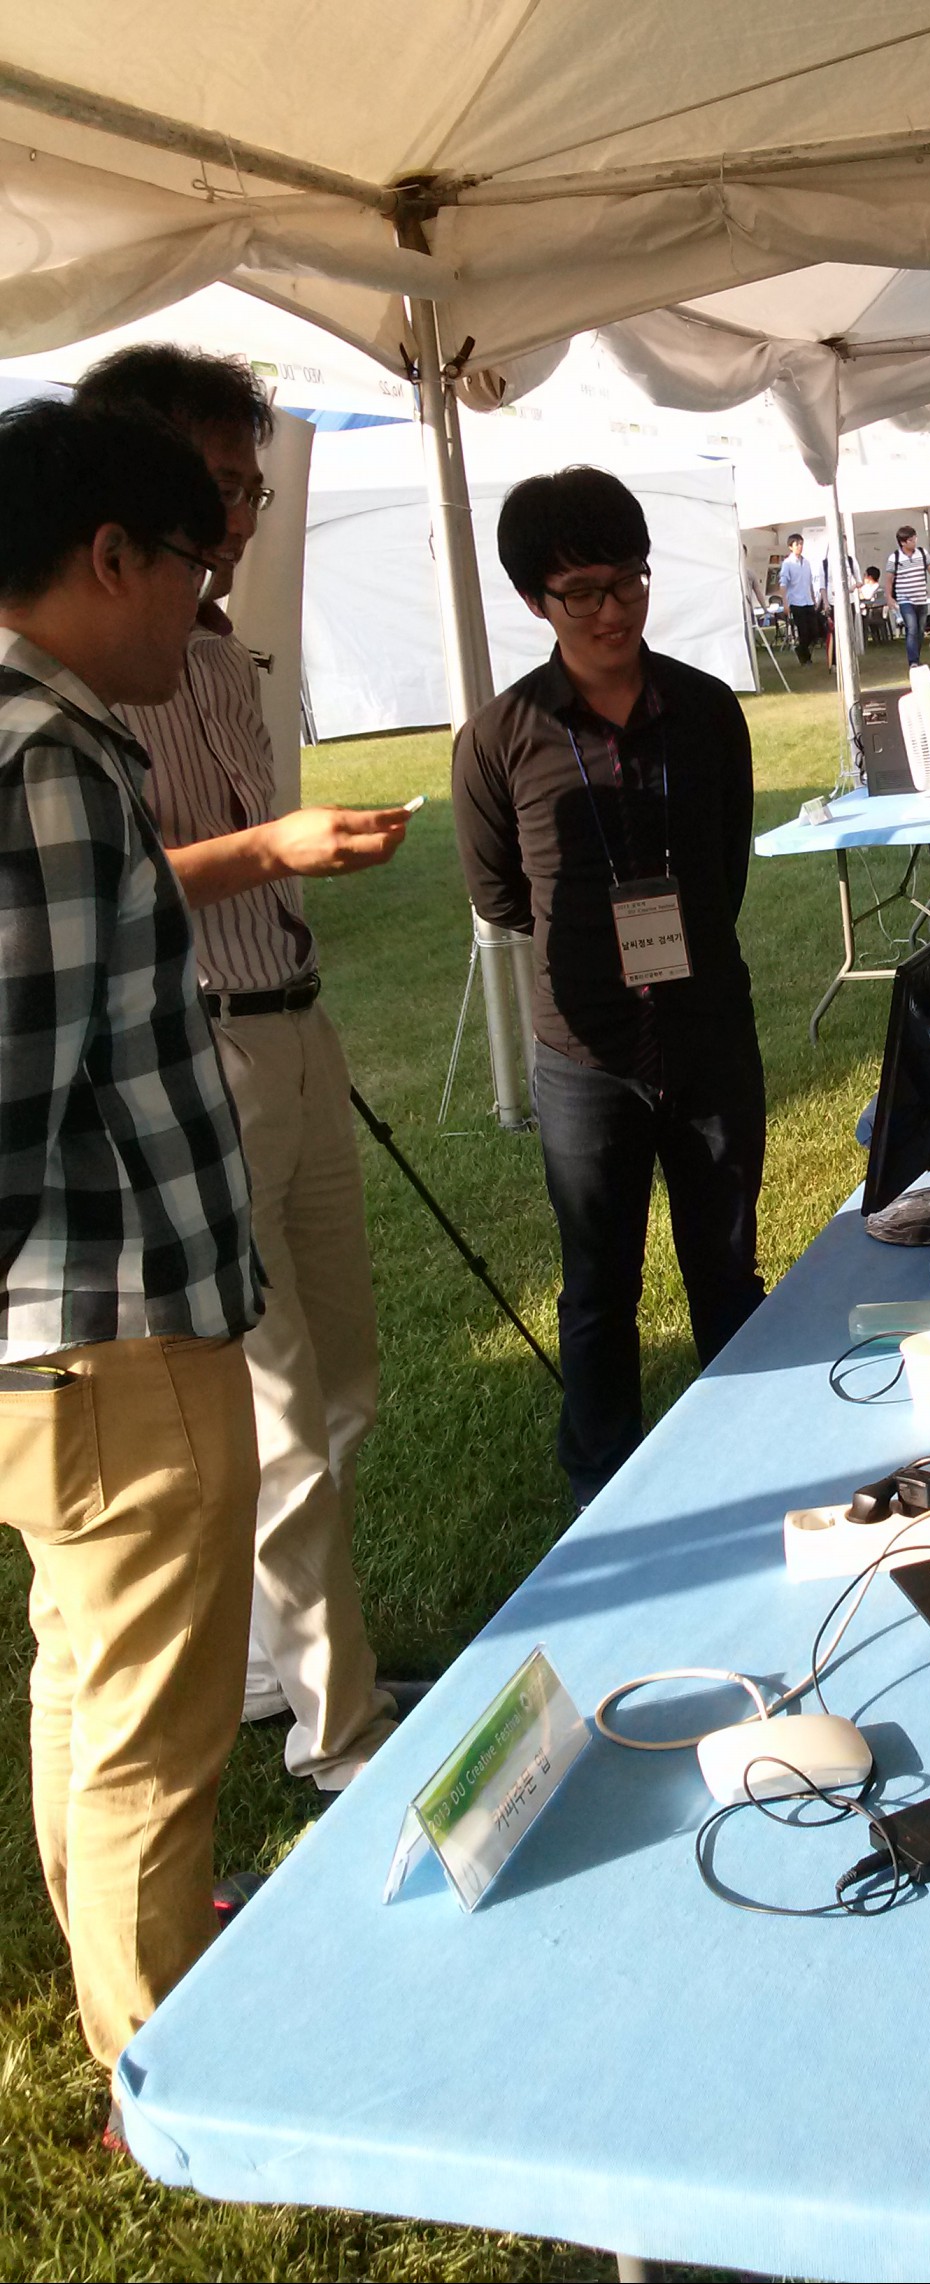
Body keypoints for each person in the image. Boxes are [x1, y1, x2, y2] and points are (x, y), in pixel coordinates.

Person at [75, 346, 412, 1801]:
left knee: (343, 1382)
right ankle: (343, 1736)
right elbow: (101, 891)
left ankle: (288, 1671)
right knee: (281, 1410)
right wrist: (269, 848)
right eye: (218, 486)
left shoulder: (214, 658)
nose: (238, 519)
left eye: (252, 489)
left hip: (292, 1024)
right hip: (197, 1050)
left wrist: (283, 859)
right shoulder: (83, 685)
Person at [0, 397, 263, 2081]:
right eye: (193, 565)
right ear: (111, 556)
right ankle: (169, 2066)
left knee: (87, 1673)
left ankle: (123, 1972)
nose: (203, 604)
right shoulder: (47, 763)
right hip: (119, 1331)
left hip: (65, 1343)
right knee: (153, 1728)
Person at [452, 468, 766, 1506]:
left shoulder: (707, 710)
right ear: (533, 599)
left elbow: (724, 865)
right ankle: (604, 1488)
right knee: (597, 1285)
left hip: (708, 1029)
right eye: (582, 591)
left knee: (727, 1266)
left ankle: (754, 1452)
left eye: (629, 579)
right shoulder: (499, 737)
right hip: (582, 1053)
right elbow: (500, 896)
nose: (614, 610)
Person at [884, 525, 930, 668]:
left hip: (921, 599)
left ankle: (917, 657)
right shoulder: (894, 558)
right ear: (903, 542)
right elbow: (889, 579)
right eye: (911, 540)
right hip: (905, 600)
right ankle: (913, 661)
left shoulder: (922, 553)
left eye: (915, 538)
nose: (914, 542)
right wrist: (889, 597)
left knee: (920, 631)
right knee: (912, 628)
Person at [778, 533, 821, 666]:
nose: (800, 547)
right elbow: (783, 584)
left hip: (808, 601)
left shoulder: (806, 562)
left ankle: (801, 650)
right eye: (797, 544)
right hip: (796, 602)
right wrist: (785, 603)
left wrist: (814, 599)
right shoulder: (788, 563)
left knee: (815, 631)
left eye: (801, 544)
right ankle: (805, 659)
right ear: (791, 547)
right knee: (804, 632)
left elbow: (809, 583)